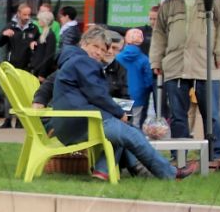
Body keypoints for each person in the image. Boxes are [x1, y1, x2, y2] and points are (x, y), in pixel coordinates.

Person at [51, 26, 198, 181]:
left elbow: (99, 94)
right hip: (82, 122)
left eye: (102, 49)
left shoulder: (72, 60)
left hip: (72, 122)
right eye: (95, 46)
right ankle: (170, 173)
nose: (99, 52)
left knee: (123, 132)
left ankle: (103, 171)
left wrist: (119, 114)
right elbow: (97, 94)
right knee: (131, 133)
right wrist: (119, 113)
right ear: (84, 44)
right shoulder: (82, 61)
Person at [149, 0, 220, 165]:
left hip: (206, 64)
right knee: (178, 114)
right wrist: (156, 60)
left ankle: (216, 155)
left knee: (210, 114)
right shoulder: (171, 1)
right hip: (175, 64)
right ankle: (180, 155)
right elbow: (159, 33)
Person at [0, 1, 39, 128]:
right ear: (18, 14)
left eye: (29, 14)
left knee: (23, 93)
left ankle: (21, 121)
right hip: (12, 65)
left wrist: (35, 44)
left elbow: (40, 44)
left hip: (26, 66)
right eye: (25, 14)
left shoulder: (33, 28)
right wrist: (3, 35)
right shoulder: (10, 26)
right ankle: (7, 119)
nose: (27, 17)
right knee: (9, 94)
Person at [117, 29, 154, 129]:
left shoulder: (118, 57)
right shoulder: (144, 59)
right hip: (139, 95)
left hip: (122, 95)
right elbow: (149, 80)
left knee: (123, 123)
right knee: (136, 123)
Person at [29, 10, 58, 81]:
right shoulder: (43, 34)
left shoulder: (50, 35)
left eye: (40, 19)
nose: (38, 21)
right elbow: (41, 51)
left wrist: (42, 74)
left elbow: (49, 56)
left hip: (40, 73)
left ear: (44, 21)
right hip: (36, 69)